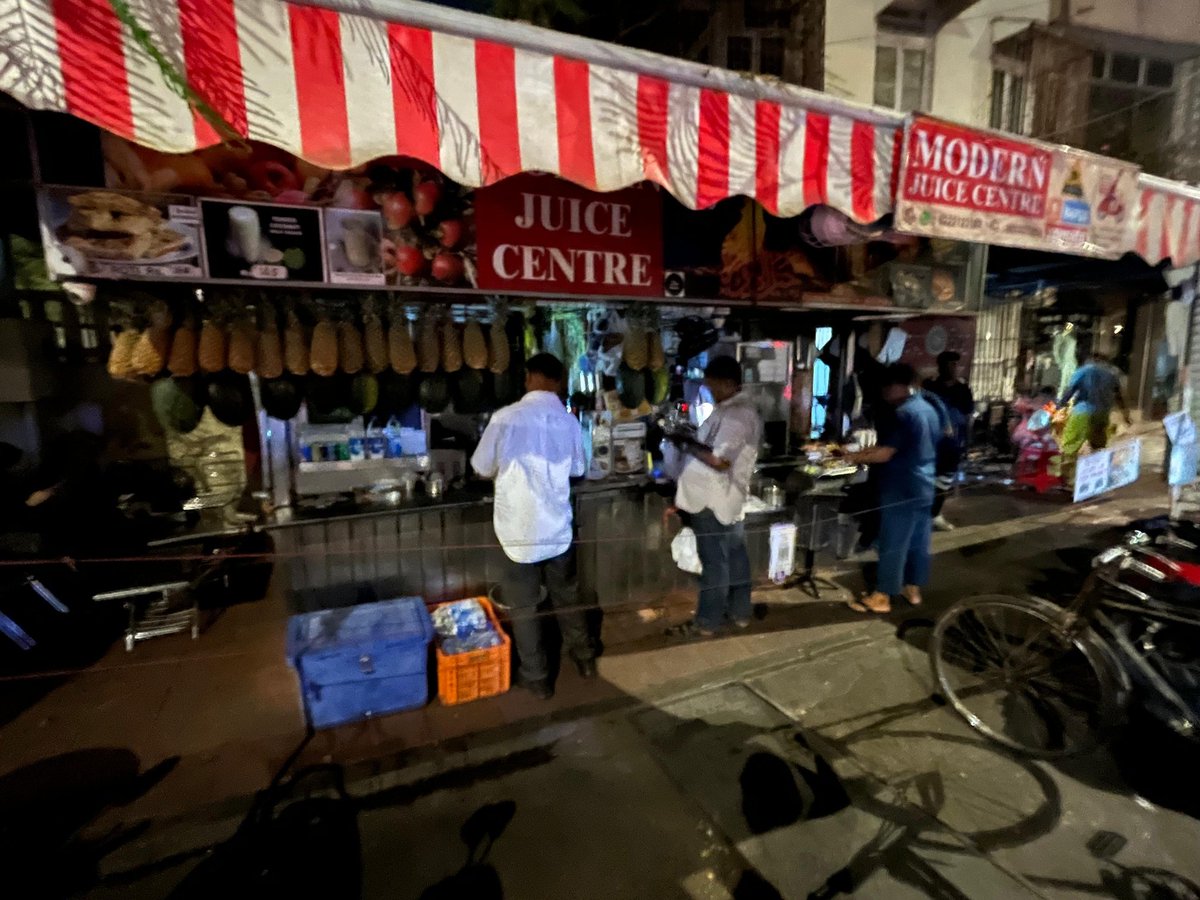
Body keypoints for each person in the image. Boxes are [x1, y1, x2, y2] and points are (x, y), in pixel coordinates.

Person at [470, 353, 596, 700]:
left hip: (518, 532)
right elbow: (577, 469)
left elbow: (481, 466)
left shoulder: (505, 418)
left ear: (528, 378)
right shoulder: (569, 422)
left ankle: (538, 679)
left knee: (524, 606)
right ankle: (584, 659)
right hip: (558, 530)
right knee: (567, 597)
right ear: (558, 381)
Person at [669, 356, 763, 637]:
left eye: (712, 386)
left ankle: (708, 621)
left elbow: (720, 460)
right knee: (733, 555)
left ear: (727, 383)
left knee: (715, 562)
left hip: (715, 499)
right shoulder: (730, 410)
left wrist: (686, 443)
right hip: (720, 498)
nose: (709, 391)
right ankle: (740, 612)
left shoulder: (738, 415)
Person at [846, 364, 941, 615]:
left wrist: (851, 457)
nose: (884, 393)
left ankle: (882, 596)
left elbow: (886, 453)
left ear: (895, 386)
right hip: (924, 484)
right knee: (918, 541)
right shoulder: (927, 408)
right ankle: (913, 589)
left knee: (893, 542)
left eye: (886, 387)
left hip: (901, 487)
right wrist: (860, 453)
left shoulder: (903, 413)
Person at [1058, 353, 1132, 489]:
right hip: (1102, 414)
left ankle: (1067, 481)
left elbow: (1070, 390)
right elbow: (1119, 396)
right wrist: (1125, 415)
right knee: (1098, 446)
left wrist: (1060, 406)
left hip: (1083, 412)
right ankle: (1096, 480)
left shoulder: (1083, 371)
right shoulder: (1111, 374)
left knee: (1070, 446)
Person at [923, 351, 973, 532]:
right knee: (926, 479)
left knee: (944, 480)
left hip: (951, 443)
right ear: (940, 366)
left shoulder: (963, 390)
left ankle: (935, 514)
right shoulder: (929, 387)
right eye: (948, 365)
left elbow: (968, 417)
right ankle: (923, 516)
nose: (952, 368)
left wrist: (967, 443)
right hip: (929, 441)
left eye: (954, 365)